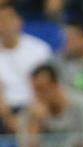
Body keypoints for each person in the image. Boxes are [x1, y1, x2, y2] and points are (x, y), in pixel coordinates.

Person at [0, 3, 52, 132]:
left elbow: (48, 84)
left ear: (19, 21)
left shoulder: (39, 49)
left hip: (33, 107)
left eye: (7, 19)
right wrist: (5, 113)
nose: (4, 24)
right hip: (4, 107)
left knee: (40, 112)